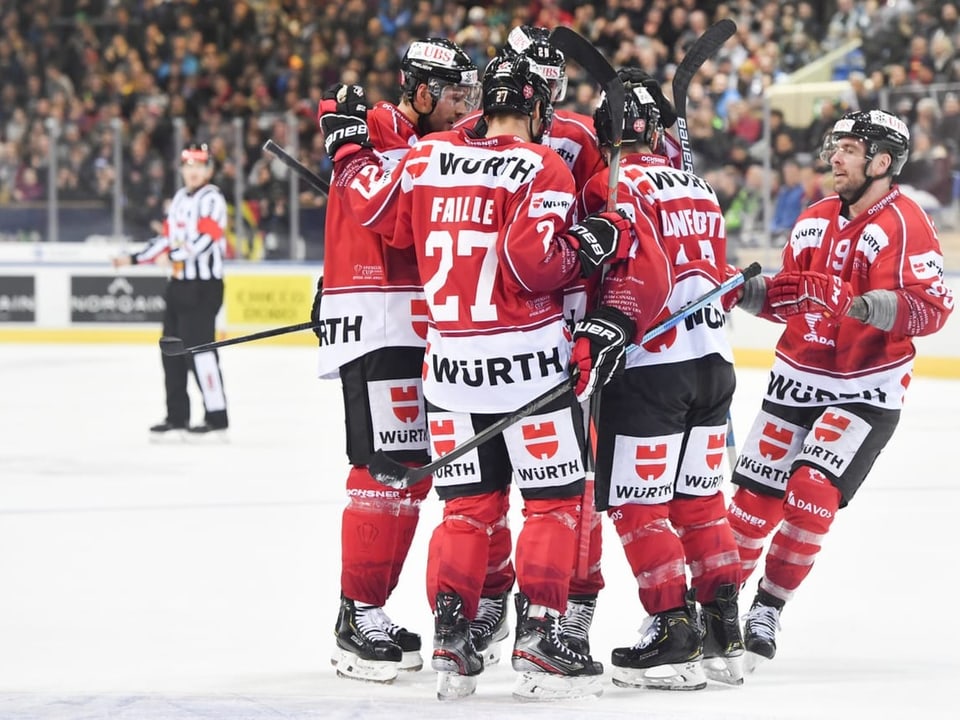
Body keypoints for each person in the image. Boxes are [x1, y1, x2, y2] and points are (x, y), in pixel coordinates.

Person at [326, 53, 632, 700]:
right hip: (528, 365)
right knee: (550, 501)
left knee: (466, 510)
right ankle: (541, 636)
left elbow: (381, 215)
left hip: (448, 367)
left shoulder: (431, 152)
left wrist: (348, 149)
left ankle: (452, 641)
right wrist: (591, 243)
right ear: (539, 108)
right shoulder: (543, 163)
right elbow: (534, 264)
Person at [724, 110, 954, 671]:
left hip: (864, 390)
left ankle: (769, 608)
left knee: (810, 493)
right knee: (750, 510)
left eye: (850, 149)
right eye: (836, 148)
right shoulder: (813, 219)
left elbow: (934, 307)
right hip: (796, 379)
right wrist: (741, 291)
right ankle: (718, 606)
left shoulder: (905, 223)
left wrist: (868, 305)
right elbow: (787, 298)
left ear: (882, 162)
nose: (836, 158)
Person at [312, 38, 482, 684]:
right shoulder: (385, 129)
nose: (466, 106)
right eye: (455, 95)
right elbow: (393, 214)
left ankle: (366, 609)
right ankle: (357, 615)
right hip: (380, 318)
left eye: (471, 95)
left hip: (407, 319)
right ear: (418, 90)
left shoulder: (404, 139)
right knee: (385, 467)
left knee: (409, 470)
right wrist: (346, 129)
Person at [582, 70, 748, 690]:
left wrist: (602, 329)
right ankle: (722, 631)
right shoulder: (700, 185)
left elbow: (633, 269)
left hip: (653, 365)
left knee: (637, 504)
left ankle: (675, 630)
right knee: (700, 502)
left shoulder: (613, 181)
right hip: (716, 364)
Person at [112, 142, 229, 439]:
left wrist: (173, 257)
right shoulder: (178, 199)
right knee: (171, 352)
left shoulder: (212, 199)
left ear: (209, 170)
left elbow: (206, 240)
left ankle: (217, 417)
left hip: (203, 288)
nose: (193, 171)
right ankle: (177, 416)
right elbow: (166, 239)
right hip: (177, 286)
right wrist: (136, 258)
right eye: (188, 166)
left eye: (199, 165)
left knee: (200, 353)